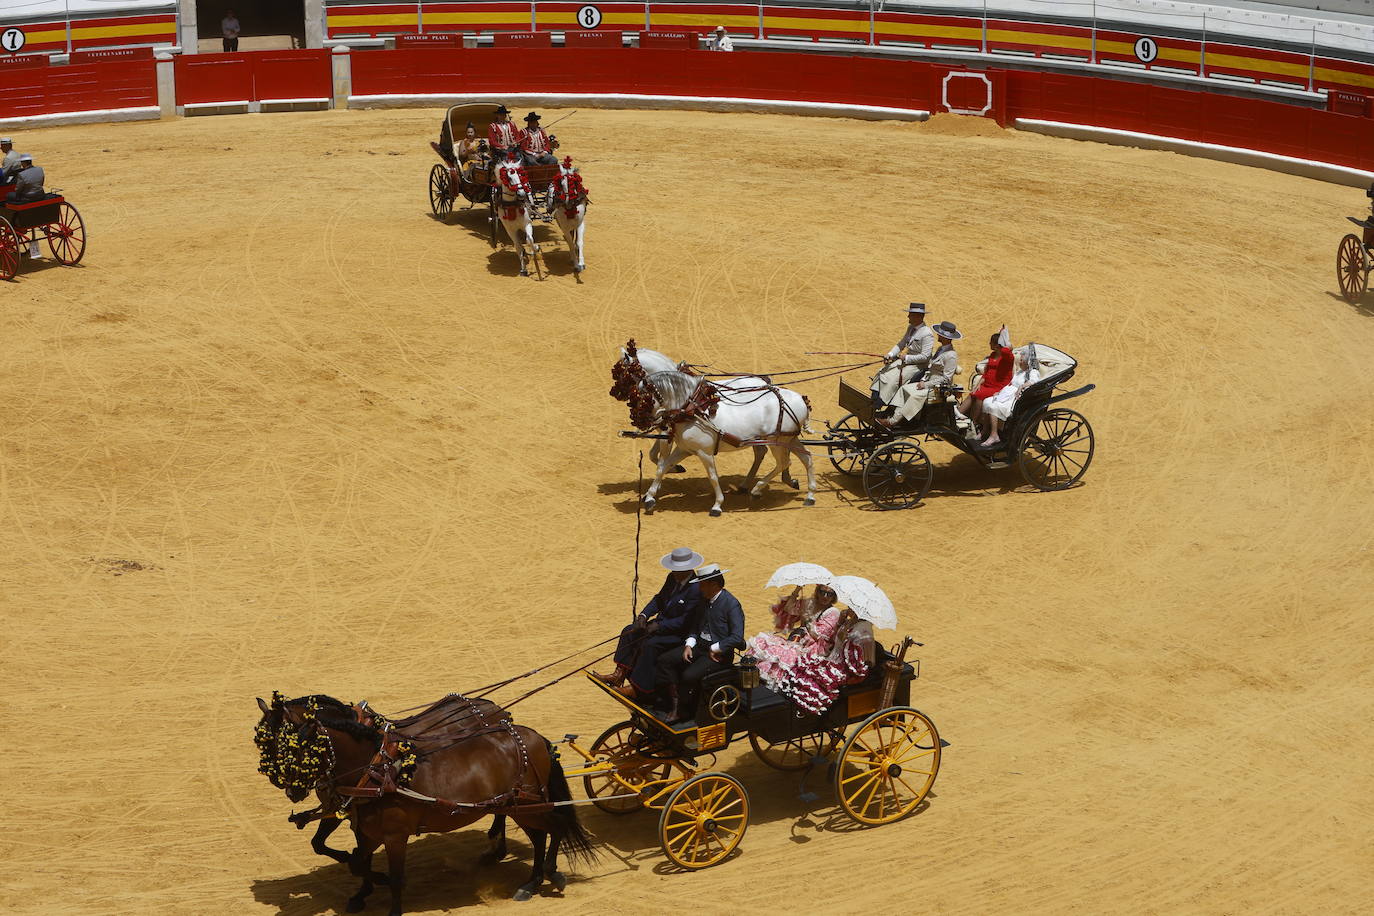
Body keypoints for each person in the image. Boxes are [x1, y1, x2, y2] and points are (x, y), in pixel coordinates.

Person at [594, 547, 704, 701]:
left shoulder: (696, 588)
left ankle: (638, 688)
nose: (674, 572)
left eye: (677, 570)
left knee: (651, 645)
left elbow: (685, 620)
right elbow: (659, 599)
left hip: (678, 633)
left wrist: (659, 626)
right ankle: (619, 675)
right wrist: (643, 616)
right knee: (629, 630)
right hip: (661, 624)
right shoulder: (672, 578)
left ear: (687, 569)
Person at [656, 564, 744, 723]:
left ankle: (683, 712)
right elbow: (695, 626)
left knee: (688, 675)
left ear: (714, 585)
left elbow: (737, 637)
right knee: (665, 660)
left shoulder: (731, 604)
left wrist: (715, 648)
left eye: (702, 584)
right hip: (699, 647)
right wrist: (689, 644)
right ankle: (673, 703)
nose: (700, 587)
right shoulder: (703, 601)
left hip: (718, 656)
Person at [881, 320, 961, 427]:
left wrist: (926, 384)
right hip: (928, 382)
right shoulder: (941, 349)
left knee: (914, 396)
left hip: (937, 388)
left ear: (946, 337)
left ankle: (893, 422)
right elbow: (931, 368)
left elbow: (946, 378)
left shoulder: (951, 355)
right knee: (904, 389)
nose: (938, 335)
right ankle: (893, 415)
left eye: (940, 334)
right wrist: (923, 380)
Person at [871, 303, 935, 414]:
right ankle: (875, 399)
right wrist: (890, 354)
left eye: (910, 314)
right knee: (883, 372)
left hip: (918, 366)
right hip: (906, 361)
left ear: (918, 317)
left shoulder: (927, 334)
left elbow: (925, 357)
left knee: (893, 380)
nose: (908, 316)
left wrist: (906, 357)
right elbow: (901, 344)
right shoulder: (911, 328)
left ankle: (884, 405)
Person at [980, 348, 1040, 449]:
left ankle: (994, 435)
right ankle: (985, 430)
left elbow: (1034, 382)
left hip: (1015, 400)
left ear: (1027, 362)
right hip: (1006, 396)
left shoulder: (1033, 372)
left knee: (994, 406)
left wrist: (1022, 386)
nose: (1019, 362)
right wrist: (999, 392)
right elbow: (1010, 383)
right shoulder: (1020, 371)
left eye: (1021, 360)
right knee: (987, 401)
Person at [959, 325, 1013, 432]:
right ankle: (957, 415)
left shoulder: (1007, 357)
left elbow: (1008, 350)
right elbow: (986, 373)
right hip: (987, 385)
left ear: (997, 345)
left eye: (991, 343)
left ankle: (973, 424)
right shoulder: (993, 355)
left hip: (999, 387)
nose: (989, 344)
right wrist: (978, 384)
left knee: (979, 396)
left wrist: (1004, 337)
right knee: (973, 393)